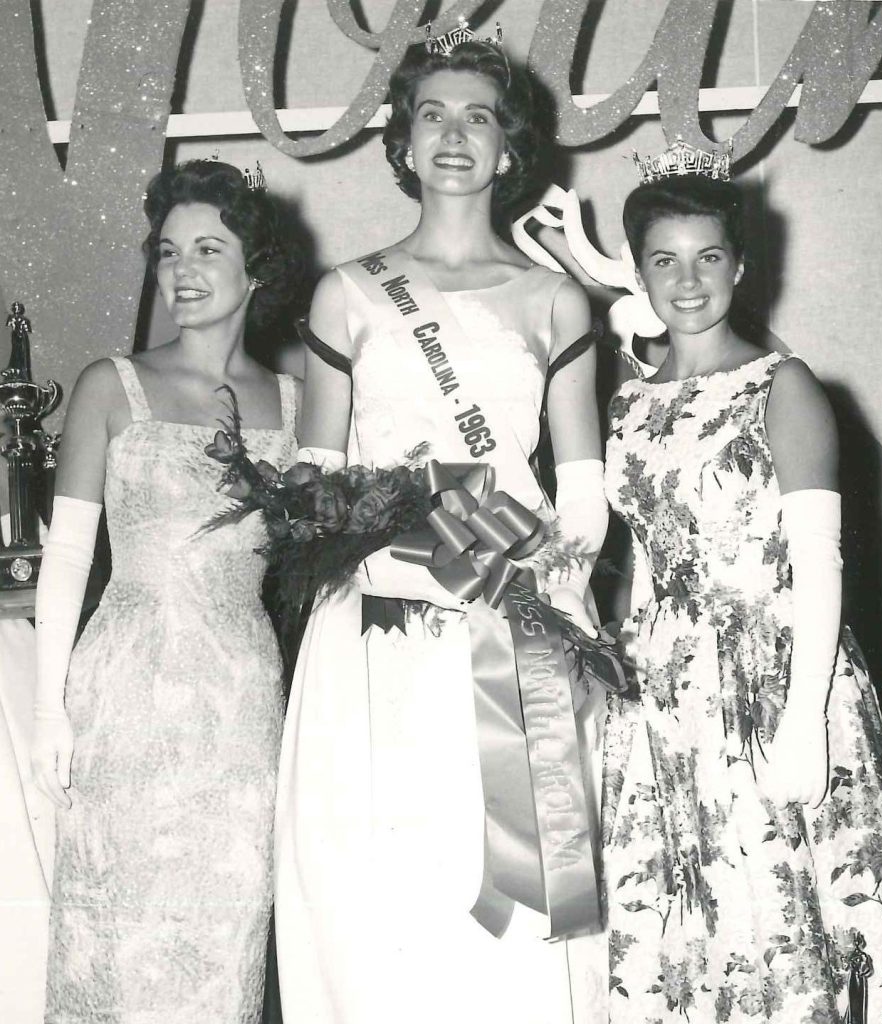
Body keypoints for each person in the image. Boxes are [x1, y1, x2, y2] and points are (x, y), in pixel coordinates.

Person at [274, 32, 609, 1024]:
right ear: (405, 142)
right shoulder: (347, 294)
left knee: (510, 888)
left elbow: (583, 501)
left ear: (511, 150)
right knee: (378, 883)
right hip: (376, 627)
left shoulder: (557, 300)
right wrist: (396, 523)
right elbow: (312, 487)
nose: (454, 133)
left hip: (508, 616)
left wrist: (527, 561)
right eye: (432, 113)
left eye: (479, 116)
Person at [602, 152, 882, 1022]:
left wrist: (803, 720)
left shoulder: (781, 387)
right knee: (691, 926)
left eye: (707, 256)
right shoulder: (626, 407)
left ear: (741, 265)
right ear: (637, 271)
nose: (686, 280)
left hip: (774, 682)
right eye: (663, 260)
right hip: (663, 698)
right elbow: (640, 560)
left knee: (789, 923)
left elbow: (818, 566)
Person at [31, 159, 302, 1022]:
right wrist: (49, 708)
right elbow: (68, 556)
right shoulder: (112, 384)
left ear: (256, 267)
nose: (181, 271)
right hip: (126, 689)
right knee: (118, 934)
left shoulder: (300, 405)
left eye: (207, 250)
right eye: (167, 252)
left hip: (240, 698)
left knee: (224, 939)